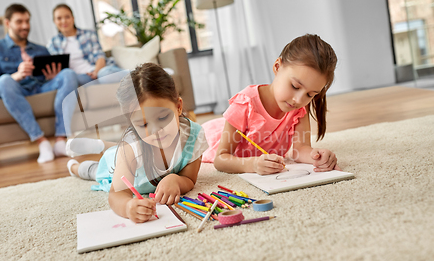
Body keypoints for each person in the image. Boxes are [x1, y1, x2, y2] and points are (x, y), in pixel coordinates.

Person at [66, 63, 209, 223]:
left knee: (123, 148)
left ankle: (102, 145)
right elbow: (117, 194)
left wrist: (175, 179)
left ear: (178, 107)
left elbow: (189, 179)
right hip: (113, 166)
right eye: (143, 125)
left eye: (162, 118)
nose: (156, 130)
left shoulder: (194, 136)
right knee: (94, 171)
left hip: (132, 152)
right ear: (132, 125)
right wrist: (127, 207)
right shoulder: (131, 148)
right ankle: (75, 166)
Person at [202, 34, 341, 174]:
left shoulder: (298, 108)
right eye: (295, 86)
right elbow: (220, 160)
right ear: (277, 67)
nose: (299, 100)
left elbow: (300, 150)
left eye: (310, 94)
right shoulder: (245, 103)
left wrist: (316, 156)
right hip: (213, 136)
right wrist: (252, 165)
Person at [0, 3, 78, 163]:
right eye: (19, 22)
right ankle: (42, 141)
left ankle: (61, 140)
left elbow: (51, 78)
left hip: (40, 87)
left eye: (27, 21)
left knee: (68, 74)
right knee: (5, 80)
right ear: (7, 23)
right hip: (16, 91)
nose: (25, 26)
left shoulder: (41, 49)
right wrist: (16, 75)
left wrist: (53, 77)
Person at [47, 4, 123, 86]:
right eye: (59, 18)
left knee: (105, 74)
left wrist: (96, 72)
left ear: (73, 18)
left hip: (99, 70)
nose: (63, 21)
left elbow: (100, 56)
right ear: (54, 21)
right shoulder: (53, 43)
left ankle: (136, 76)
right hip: (79, 77)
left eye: (67, 17)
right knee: (72, 79)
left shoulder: (89, 34)